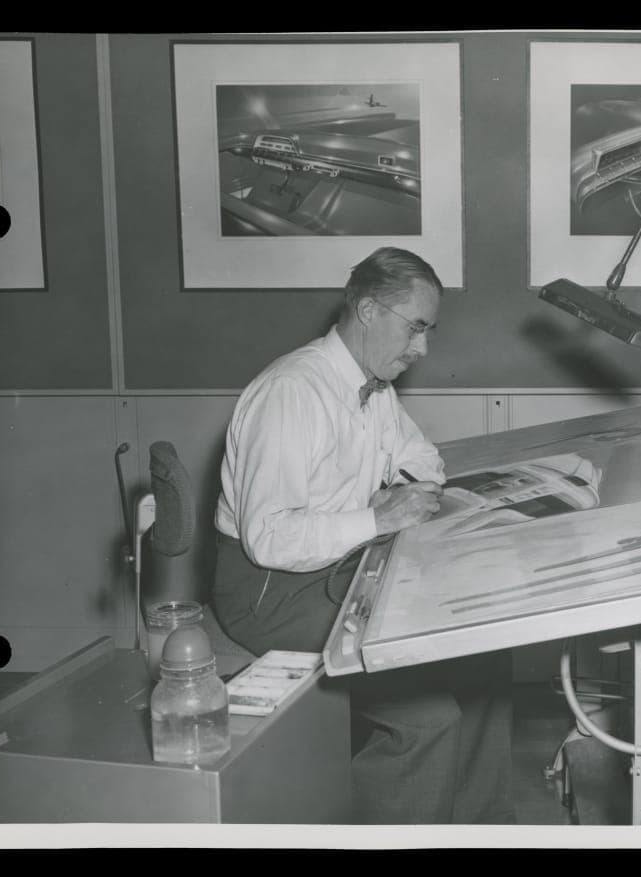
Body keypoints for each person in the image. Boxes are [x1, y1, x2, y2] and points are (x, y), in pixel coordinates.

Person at [211, 247, 515, 824]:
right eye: (416, 328)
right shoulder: (292, 391)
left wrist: (391, 501)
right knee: (427, 717)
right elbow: (269, 540)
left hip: (340, 563)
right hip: (270, 592)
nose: (423, 349)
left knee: (483, 658)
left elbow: (424, 461)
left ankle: (478, 828)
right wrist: (377, 517)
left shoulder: (372, 385)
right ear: (370, 310)